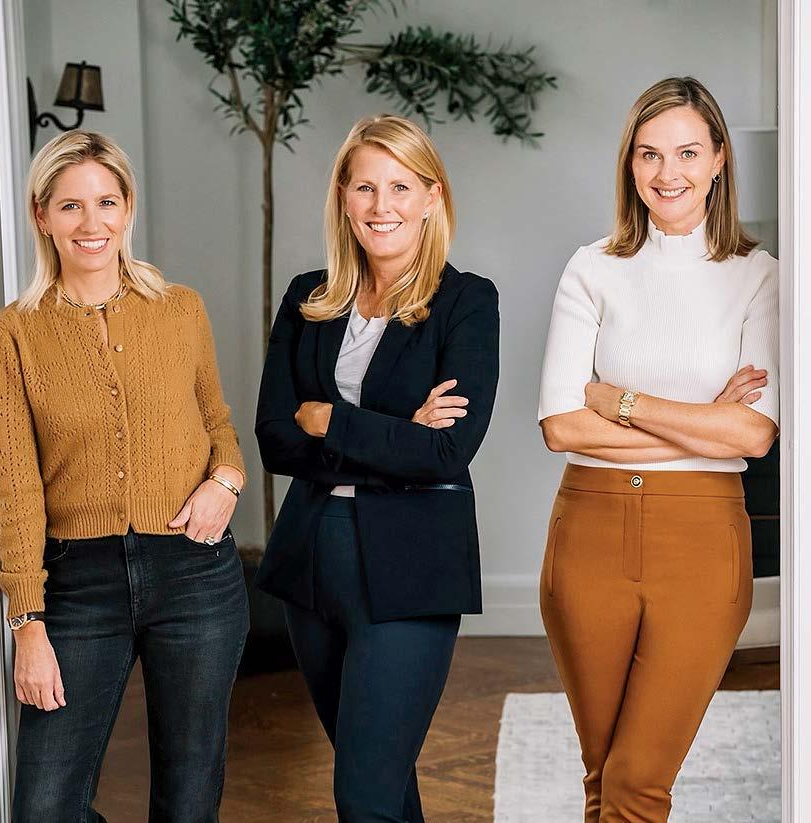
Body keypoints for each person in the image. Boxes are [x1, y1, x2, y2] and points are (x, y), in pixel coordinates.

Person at [537, 76, 778, 822]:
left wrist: (621, 401)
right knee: (603, 775)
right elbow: (561, 426)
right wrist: (704, 422)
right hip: (588, 534)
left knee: (638, 781)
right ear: (630, 163)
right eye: (649, 154)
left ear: (719, 159)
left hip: (703, 542)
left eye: (687, 152)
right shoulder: (591, 267)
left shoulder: (759, 276)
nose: (667, 172)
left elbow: (754, 434)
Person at [0, 129, 249, 822]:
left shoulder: (180, 309)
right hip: (78, 585)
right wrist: (27, 622)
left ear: (128, 208)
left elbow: (219, 426)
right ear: (42, 215)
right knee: (45, 807)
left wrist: (225, 481)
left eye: (106, 202)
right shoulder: (13, 333)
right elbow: (18, 487)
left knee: (189, 801)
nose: (91, 222)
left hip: (195, 574)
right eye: (70, 205)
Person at [255, 114, 500, 822]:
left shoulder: (466, 302)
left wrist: (330, 420)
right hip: (311, 561)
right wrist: (397, 433)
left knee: (363, 793)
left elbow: (446, 451)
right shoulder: (308, 297)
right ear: (343, 196)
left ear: (431, 196)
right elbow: (275, 440)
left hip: (412, 567)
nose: (381, 205)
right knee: (381, 784)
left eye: (400, 186)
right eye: (365, 186)